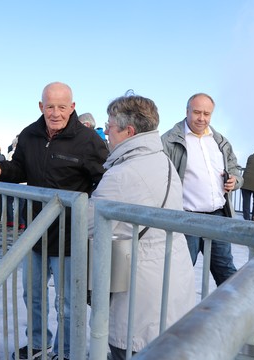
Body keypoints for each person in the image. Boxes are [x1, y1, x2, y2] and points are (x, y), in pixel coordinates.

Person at [0, 82, 109, 360]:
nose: (56, 112)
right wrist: (0, 167)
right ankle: (38, 344)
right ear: (41, 107)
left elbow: (105, 182)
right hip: (36, 232)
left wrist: (90, 217)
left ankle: (66, 351)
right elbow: (20, 167)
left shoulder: (89, 141)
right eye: (50, 106)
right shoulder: (29, 135)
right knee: (33, 295)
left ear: (73, 107)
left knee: (68, 302)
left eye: (62, 106)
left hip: (70, 237)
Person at [89, 91, 195, 359]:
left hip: (139, 293)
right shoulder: (164, 161)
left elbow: (89, 226)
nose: (107, 134)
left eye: (110, 127)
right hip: (169, 279)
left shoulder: (123, 173)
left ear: (129, 131)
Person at [161, 93, 241, 286]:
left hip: (218, 216)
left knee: (226, 270)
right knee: (181, 273)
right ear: (187, 111)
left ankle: (236, 314)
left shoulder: (219, 140)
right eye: (197, 112)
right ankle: (179, 315)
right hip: (186, 218)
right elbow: (160, 176)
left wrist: (235, 180)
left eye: (207, 113)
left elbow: (235, 169)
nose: (202, 118)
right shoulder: (169, 141)